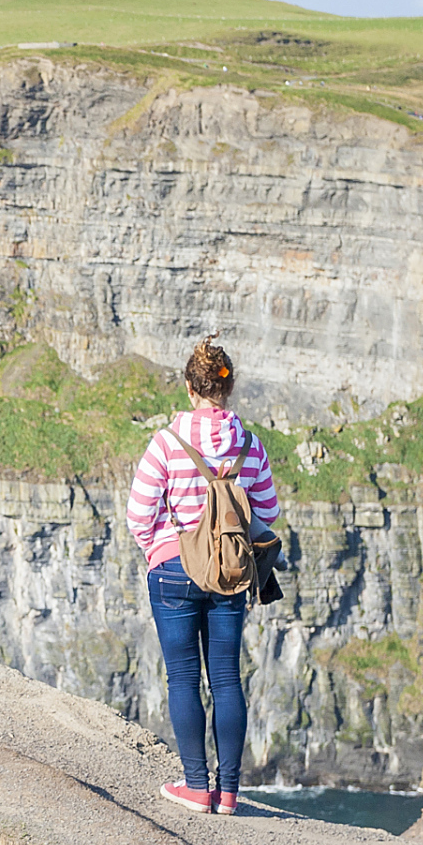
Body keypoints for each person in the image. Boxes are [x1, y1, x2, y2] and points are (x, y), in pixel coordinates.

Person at [126, 338, 280, 817]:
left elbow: (139, 514)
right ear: (227, 390)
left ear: (191, 389)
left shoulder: (166, 443)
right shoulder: (250, 447)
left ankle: (196, 786)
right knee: (227, 679)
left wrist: (162, 549)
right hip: (229, 573)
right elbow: (269, 512)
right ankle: (229, 793)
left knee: (183, 678)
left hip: (173, 569)